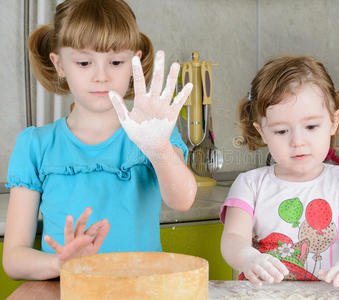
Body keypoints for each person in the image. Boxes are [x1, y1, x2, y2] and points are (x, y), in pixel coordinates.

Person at [3, 0, 196, 281]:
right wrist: (63, 263)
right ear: (59, 64)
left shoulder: (153, 134)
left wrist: (160, 149)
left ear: (134, 64)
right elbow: (14, 258)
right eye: (84, 62)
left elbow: (183, 200)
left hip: (142, 291)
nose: (102, 76)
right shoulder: (35, 145)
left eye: (116, 62)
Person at [220, 55, 339, 290]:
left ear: (333, 121)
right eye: (281, 131)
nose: (297, 141)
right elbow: (233, 239)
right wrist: (248, 258)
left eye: (311, 127)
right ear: (262, 132)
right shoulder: (249, 184)